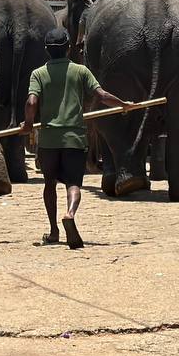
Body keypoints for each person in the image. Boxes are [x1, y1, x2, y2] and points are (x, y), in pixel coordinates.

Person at [21, 27, 130, 249]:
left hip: (49, 140)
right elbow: (101, 95)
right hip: (74, 138)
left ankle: (53, 231)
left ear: (46, 50)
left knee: (49, 184)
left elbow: (32, 102)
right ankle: (70, 213)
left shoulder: (38, 74)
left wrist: (29, 125)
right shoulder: (81, 71)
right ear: (69, 48)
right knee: (73, 183)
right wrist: (123, 104)